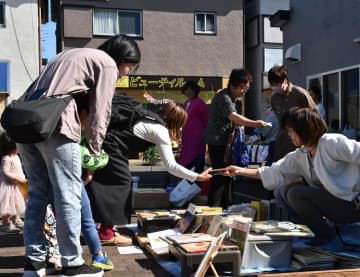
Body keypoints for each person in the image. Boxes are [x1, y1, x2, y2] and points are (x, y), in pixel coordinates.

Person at [17, 34, 141, 277]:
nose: (127, 73)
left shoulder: (66, 55)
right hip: (56, 125)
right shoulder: (106, 63)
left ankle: (34, 263)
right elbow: (101, 111)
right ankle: (73, 263)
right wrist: (95, 152)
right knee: (68, 195)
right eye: (130, 67)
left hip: (27, 124)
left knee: (37, 194)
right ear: (123, 59)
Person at [224, 107, 360, 250]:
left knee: (296, 193)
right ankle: (317, 233)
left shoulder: (331, 142)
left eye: (291, 131)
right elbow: (274, 172)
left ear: (304, 129)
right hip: (338, 203)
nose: (289, 135)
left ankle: (327, 236)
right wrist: (239, 171)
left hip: (353, 203)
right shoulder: (302, 153)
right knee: (283, 191)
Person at [85, 94, 213, 245]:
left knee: (101, 184)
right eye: (181, 124)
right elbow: (171, 166)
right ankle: (106, 234)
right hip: (112, 146)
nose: (180, 129)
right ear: (175, 122)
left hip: (106, 141)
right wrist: (197, 176)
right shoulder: (161, 131)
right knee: (121, 183)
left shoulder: (149, 118)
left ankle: (100, 227)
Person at [204, 68, 268, 208]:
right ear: (232, 85)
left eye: (246, 88)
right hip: (218, 142)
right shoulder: (223, 97)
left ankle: (226, 206)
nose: (244, 91)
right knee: (220, 175)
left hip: (228, 143)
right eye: (242, 88)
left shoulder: (235, 99)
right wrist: (255, 123)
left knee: (229, 175)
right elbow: (234, 117)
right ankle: (213, 208)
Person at [268, 65, 317, 162]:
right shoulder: (274, 98)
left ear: (285, 80)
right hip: (283, 143)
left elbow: (315, 116)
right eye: (273, 85)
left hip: (302, 140)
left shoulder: (300, 94)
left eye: (277, 84)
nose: (275, 87)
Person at [178, 81, 209, 173]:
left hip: (197, 135)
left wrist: (205, 133)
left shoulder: (200, 103)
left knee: (195, 154)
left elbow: (206, 119)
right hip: (186, 134)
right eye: (187, 90)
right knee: (186, 153)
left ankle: (195, 175)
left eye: (191, 90)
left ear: (196, 91)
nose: (189, 92)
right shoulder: (185, 103)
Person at [0, 132, 27, 232]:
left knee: (17, 203)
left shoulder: (16, 156)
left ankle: (17, 219)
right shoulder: (6, 158)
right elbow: (4, 172)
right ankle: (6, 222)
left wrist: (22, 178)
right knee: (7, 205)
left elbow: (19, 170)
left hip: (17, 186)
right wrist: (16, 178)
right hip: (8, 186)